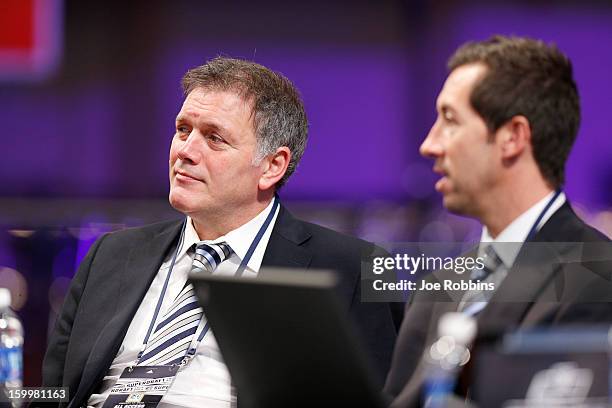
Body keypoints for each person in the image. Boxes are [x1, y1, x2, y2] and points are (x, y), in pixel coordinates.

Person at [42, 57, 399, 408]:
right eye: (183, 129)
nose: (185, 151)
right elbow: (51, 394)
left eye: (214, 138)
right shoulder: (111, 254)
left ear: (272, 166)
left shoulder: (355, 268)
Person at [384, 36, 611, 407]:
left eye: (450, 120)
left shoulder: (598, 277)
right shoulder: (437, 290)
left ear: (512, 138)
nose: (429, 144)